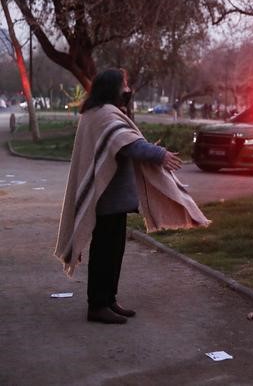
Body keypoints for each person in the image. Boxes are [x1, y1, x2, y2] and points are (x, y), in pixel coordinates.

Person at [55, 68, 210, 324]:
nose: (127, 89)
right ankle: (97, 305)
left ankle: (109, 299)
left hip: (114, 199)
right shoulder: (103, 114)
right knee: (105, 252)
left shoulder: (102, 112)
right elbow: (128, 143)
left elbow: (123, 140)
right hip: (106, 199)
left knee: (115, 252)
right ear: (113, 87)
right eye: (124, 85)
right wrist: (160, 155)